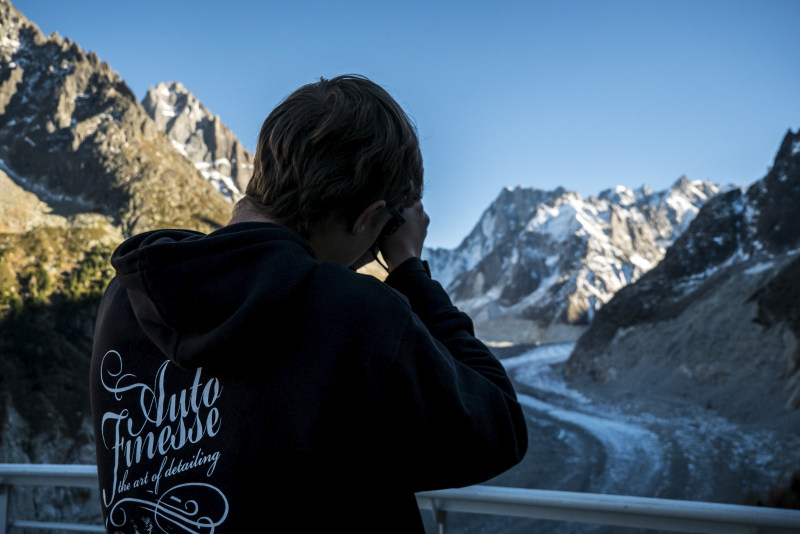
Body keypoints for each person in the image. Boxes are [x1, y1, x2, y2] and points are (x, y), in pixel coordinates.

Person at [90, 74, 528, 533]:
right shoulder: (354, 313)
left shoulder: (129, 296)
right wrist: (409, 272)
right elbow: (499, 427)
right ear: (369, 217)